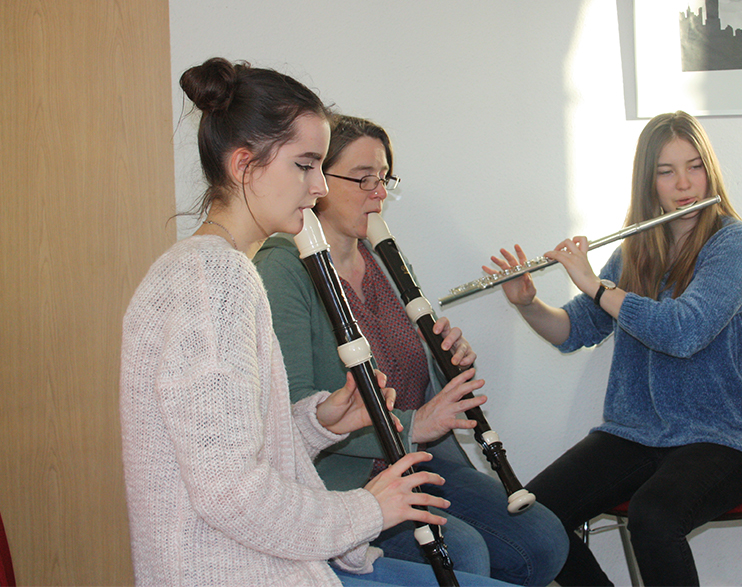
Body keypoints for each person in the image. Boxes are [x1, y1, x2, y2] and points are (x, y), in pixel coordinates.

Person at [120, 57, 512, 587]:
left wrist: (320, 421)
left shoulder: (207, 267)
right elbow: (229, 493)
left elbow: (239, 448)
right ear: (244, 165)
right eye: (304, 165)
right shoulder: (216, 280)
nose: (319, 187)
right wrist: (370, 510)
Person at [253, 114, 568, 586]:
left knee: (543, 539)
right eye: (363, 179)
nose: (378, 194)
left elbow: (409, 372)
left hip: (410, 458)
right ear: (318, 180)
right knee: (463, 553)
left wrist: (449, 364)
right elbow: (294, 410)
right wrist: (419, 423)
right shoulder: (283, 270)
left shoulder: (378, 256)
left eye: (383, 179)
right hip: (340, 481)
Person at [485, 111, 742, 586]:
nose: (684, 183)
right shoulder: (636, 250)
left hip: (721, 437)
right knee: (533, 521)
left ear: (710, 169)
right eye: (666, 171)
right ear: (649, 181)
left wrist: (595, 284)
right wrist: (529, 303)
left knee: (653, 516)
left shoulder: (736, 243)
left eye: (694, 165)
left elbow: (685, 331)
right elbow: (573, 330)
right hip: (634, 432)